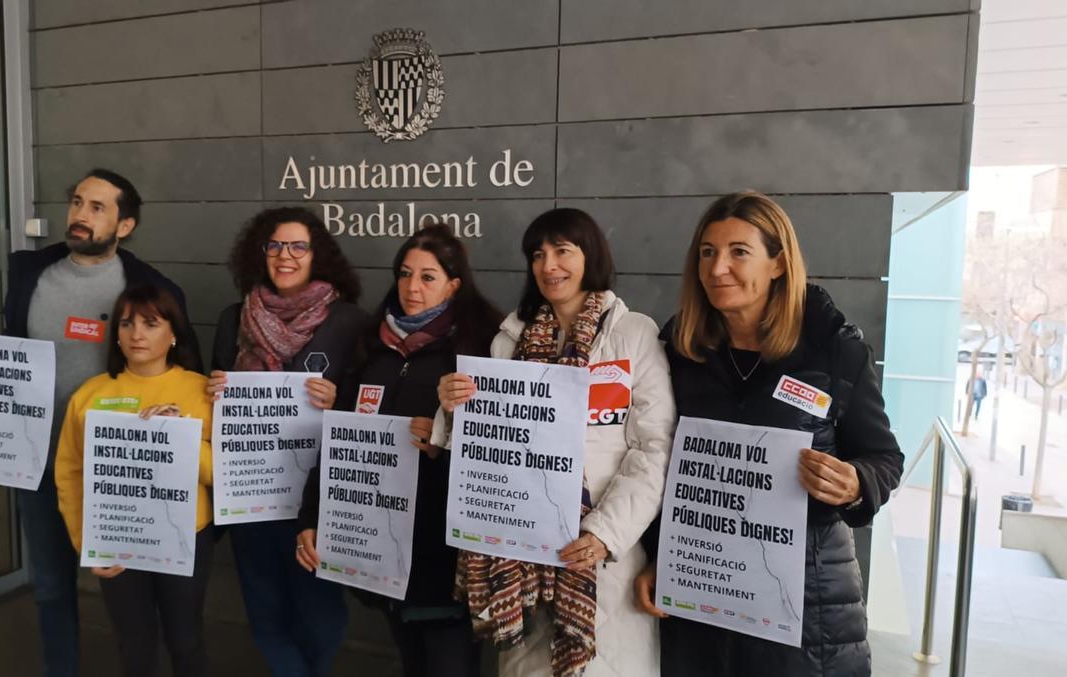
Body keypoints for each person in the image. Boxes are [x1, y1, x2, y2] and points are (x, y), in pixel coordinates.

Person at [0, 168, 197, 677]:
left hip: (118, 470)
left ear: (125, 226)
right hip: (37, 466)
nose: (80, 214)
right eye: (78, 202)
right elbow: (3, 357)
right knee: (51, 590)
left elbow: (182, 371)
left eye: (98, 207)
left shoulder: (152, 288)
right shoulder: (30, 273)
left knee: (132, 599)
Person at [633, 191, 904, 676]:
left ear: (778, 263)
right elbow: (659, 462)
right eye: (708, 252)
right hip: (702, 593)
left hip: (805, 607)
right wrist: (662, 556)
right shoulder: (679, 351)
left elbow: (883, 457)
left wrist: (855, 482)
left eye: (740, 252)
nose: (718, 269)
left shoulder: (834, 350)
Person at [437, 208, 676, 677]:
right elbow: (488, 448)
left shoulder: (632, 334)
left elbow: (654, 449)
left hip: (601, 562)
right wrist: (452, 407)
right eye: (538, 254)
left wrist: (604, 534)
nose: (549, 266)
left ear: (591, 256)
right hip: (521, 561)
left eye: (563, 251)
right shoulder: (510, 339)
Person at [294, 224, 503, 677]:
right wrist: (312, 517)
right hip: (381, 552)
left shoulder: (480, 348)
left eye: (428, 277)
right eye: (405, 274)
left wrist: (446, 442)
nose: (412, 287)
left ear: (454, 284)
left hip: (446, 562)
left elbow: (502, 454)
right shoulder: (373, 347)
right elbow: (340, 440)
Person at [207, 206, 367, 677]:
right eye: (275, 245)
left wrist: (339, 401)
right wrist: (214, 392)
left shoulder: (349, 322)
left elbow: (373, 407)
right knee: (265, 614)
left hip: (315, 500)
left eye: (298, 245)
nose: (285, 255)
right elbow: (214, 403)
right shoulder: (233, 318)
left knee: (323, 617)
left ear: (317, 254)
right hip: (251, 495)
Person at [55, 284, 212, 677]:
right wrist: (87, 544)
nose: (137, 334)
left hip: (185, 535)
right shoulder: (90, 395)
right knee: (133, 643)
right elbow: (70, 474)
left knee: (186, 640)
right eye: (127, 324)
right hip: (118, 537)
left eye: (150, 323)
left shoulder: (202, 392)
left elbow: (223, 474)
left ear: (173, 333)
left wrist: (180, 437)